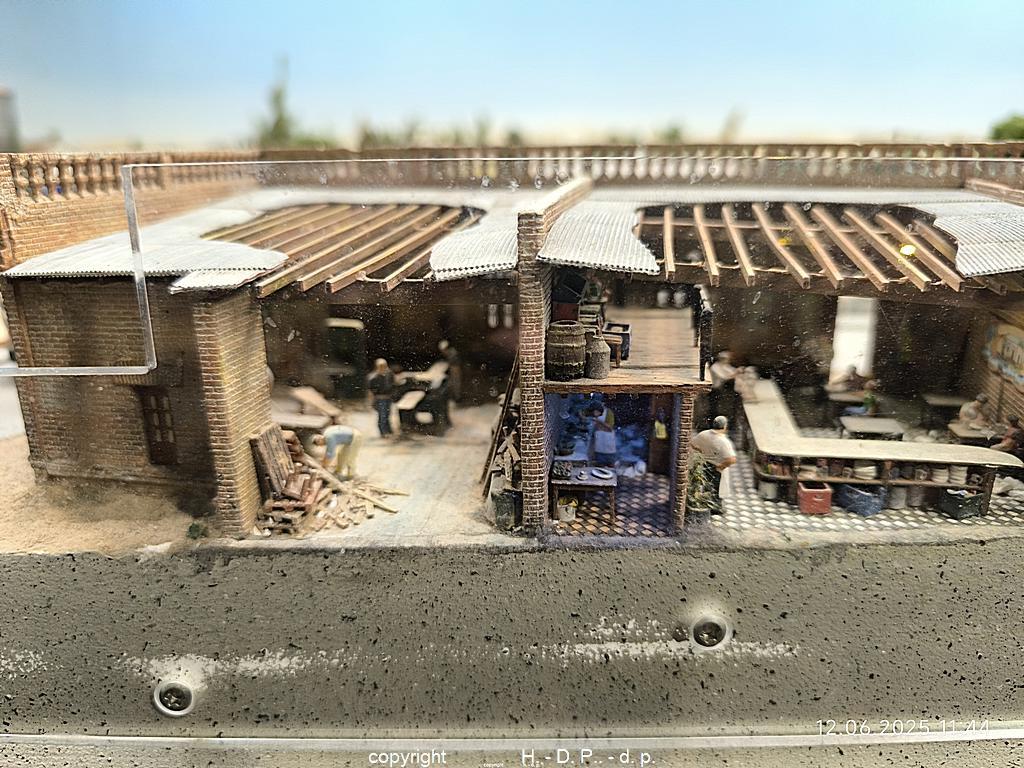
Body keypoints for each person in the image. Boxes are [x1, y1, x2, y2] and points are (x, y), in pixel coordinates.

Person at [691, 416, 738, 514]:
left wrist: (702, 452)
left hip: (705, 465)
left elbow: (693, 444)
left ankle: (707, 504)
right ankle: (716, 508)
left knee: (707, 485)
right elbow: (732, 459)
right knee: (717, 489)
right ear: (724, 426)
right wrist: (721, 466)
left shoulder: (703, 434)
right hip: (717, 468)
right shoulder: (723, 441)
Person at [367, 358, 395, 438]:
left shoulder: (389, 375)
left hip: (388, 398)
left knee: (387, 415)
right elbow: (370, 391)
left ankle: (389, 431)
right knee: (382, 416)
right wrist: (371, 401)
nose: (383, 367)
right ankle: (383, 432)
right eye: (381, 366)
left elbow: (393, 385)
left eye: (384, 365)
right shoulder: (373, 377)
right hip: (380, 399)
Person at [708, 351, 737, 419]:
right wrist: (734, 374)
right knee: (714, 405)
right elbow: (724, 377)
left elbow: (731, 370)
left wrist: (736, 371)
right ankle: (714, 416)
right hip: (715, 389)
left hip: (721, 388)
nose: (727, 361)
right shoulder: (715, 367)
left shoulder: (723, 365)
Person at [588, 402, 617, 467]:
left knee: (609, 462)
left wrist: (599, 421)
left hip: (607, 439)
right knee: (599, 461)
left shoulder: (609, 413)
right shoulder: (595, 412)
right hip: (599, 440)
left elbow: (610, 427)